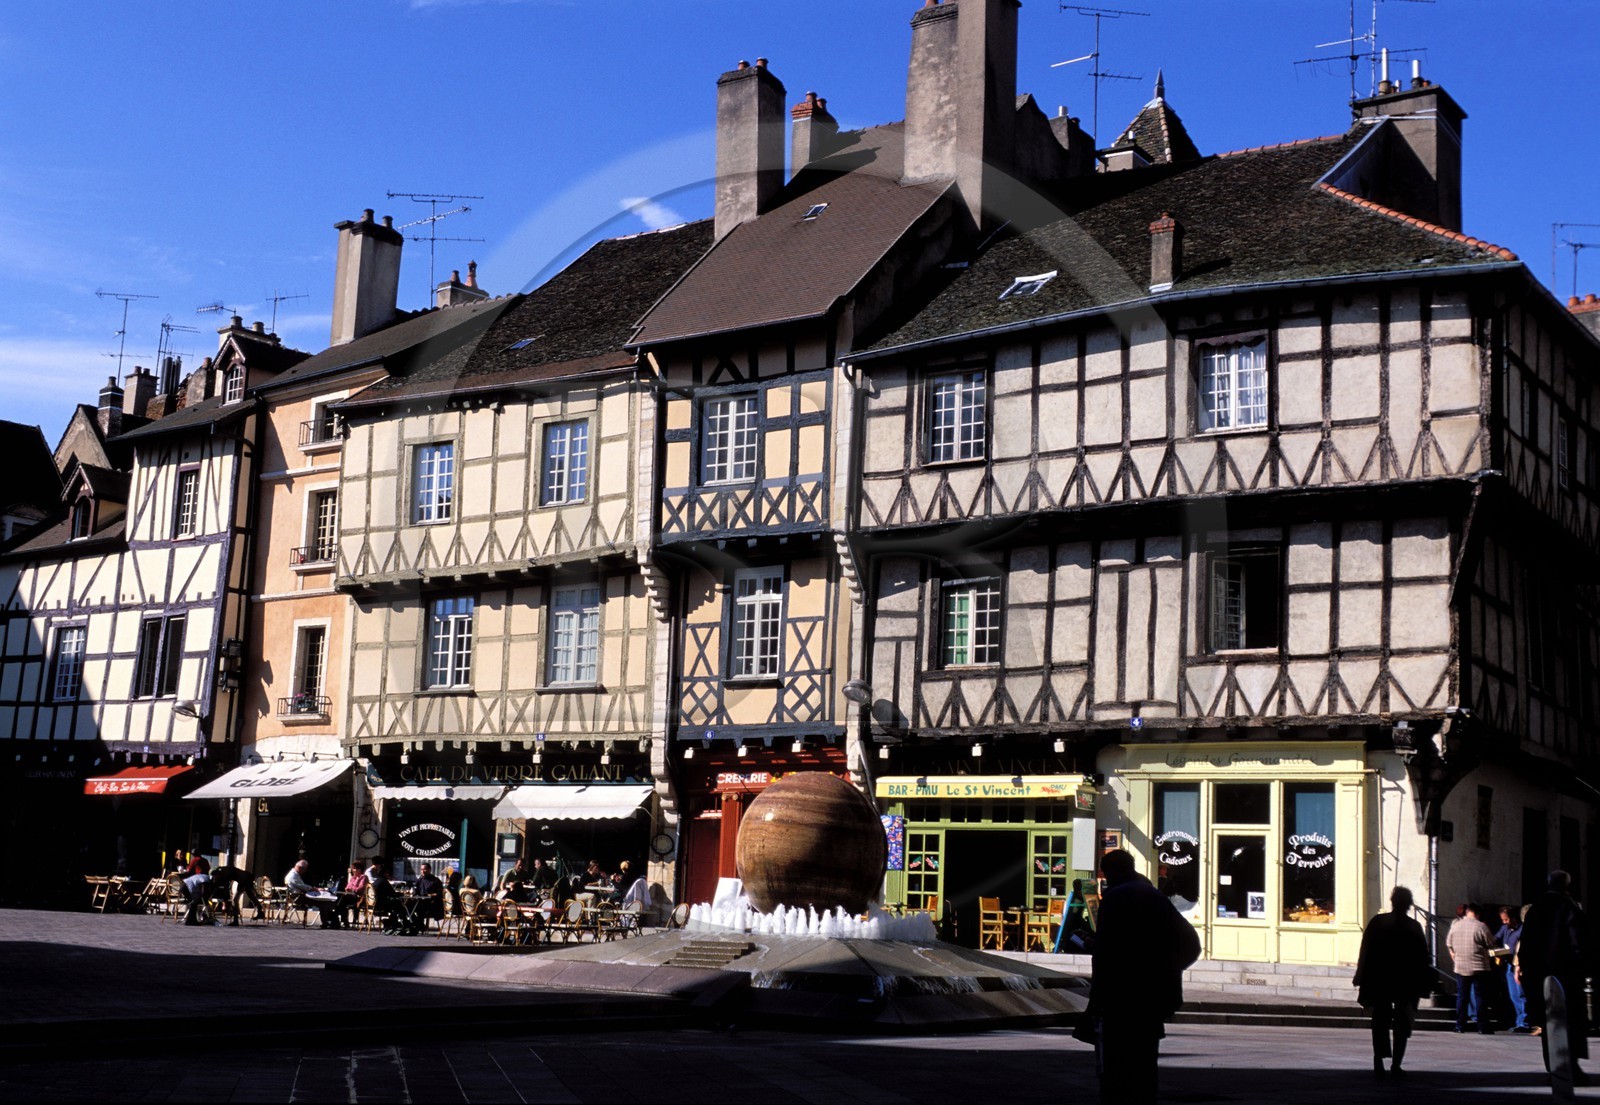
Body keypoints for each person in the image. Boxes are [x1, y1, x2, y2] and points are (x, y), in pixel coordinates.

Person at [1083, 848, 1200, 1105]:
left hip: (1120, 998)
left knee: (1116, 1066)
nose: (1106, 880)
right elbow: (1191, 943)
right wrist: (1167, 972)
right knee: (1145, 1065)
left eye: (1107, 874)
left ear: (1114, 872)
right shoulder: (1154, 896)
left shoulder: (1116, 897)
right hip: (1151, 998)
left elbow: (1106, 953)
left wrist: (1099, 994)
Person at [1518, 870, 1594, 1084]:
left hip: (1539, 977)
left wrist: (1527, 973)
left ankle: (1555, 1068)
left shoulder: (1535, 910)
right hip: (1565, 976)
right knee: (1570, 1023)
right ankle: (1570, 1067)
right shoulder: (1569, 908)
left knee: (1548, 1023)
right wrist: (1584, 969)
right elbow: (1578, 944)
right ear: (1566, 886)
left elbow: (1525, 946)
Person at [1353, 886, 1432, 1075]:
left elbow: (1366, 951)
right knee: (1402, 1023)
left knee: (1380, 1020)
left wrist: (1360, 975)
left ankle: (1379, 1060)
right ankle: (1396, 1064)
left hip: (1381, 980)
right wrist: (1424, 984)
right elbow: (1422, 958)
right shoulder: (1413, 927)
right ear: (1408, 905)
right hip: (1405, 982)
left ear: (1392, 902)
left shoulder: (1378, 922)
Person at [1446, 902, 1496, 1034]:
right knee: (1480, 996)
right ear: (1478, 914)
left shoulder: (1456, 926)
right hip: (1479, 966)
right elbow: (1491, 944)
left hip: (1460, 965)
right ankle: (1482, 1026)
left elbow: (1449, 944)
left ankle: (1460, 1025)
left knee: (1462, 996)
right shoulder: (1481, 927)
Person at [1493, 904, 1530, 1032]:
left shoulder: (1522, 930)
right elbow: (1495, 938)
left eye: (1506, 919)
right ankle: (1519, 1020)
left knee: (1520, 994)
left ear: (1514, 918)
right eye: (1502, 920)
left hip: (1517, 964)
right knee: (1513, 995)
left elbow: (1519, 948)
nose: (1504, 922)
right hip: (1508, 964)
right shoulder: (1505, 929)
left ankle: (1524, 1022)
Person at [405, 863, 444, 935]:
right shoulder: (419, 880)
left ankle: (418, 926)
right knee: (407, 905)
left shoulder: (435, 880)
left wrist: (429, 895)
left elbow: (439, 894)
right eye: (421, 869)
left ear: (429, 870)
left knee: (420, 908)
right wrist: (411, 893)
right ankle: (418, 925)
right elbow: (415, 891)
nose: (423, 871)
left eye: (425, 869)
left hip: (432, 904)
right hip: (420, 902)